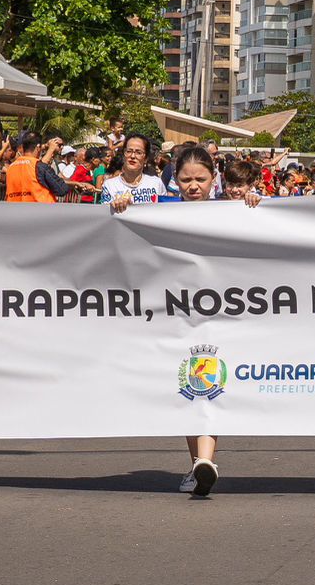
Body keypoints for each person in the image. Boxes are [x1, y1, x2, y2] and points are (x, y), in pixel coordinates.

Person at [111, 143, 260, 496]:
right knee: (188, 383)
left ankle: (203, 463)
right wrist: (121, 207)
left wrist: (256, 206)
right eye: (186, 179)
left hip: (223, 310)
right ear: (175, 181)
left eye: (201, 179)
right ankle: (200, 464)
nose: (193, 186)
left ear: (214, 179)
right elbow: (127, 232)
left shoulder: (233, 210)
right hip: (176, 312)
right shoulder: (161, 211)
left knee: (210, 380)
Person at [101, 133, 168, 207]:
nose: (132, 156)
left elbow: (164, 211)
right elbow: (104, 215)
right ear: (123, 154)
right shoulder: (110, 185)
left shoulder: (156, 183)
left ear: (146, 158)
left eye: (138, 152)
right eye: (129, 151)